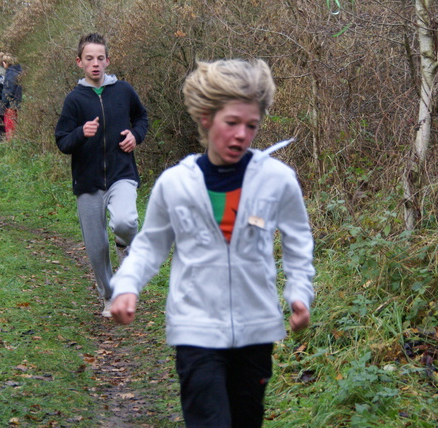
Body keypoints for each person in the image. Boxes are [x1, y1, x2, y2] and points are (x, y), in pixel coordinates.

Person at [110, 58, 315, 427]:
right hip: (195, 329)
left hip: (256, 329)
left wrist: (300, 292)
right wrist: (127, 286)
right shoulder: (175, 184)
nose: (241, 135)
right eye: (231, 123)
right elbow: (149, 245)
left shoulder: (278, 180)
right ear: (206, 118)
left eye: (251, 125)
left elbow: (299, 241)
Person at [55, 33, 149, 318]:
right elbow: (62, 141)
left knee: (126, 220)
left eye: (100, 58)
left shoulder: (124, 91)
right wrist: (80, 133)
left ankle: (125, 243)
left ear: (107, 60)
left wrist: (135, 135)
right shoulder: (74, 100)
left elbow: (142, 119)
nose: (95, 64)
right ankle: (109, 297)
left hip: (122, 174)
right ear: (79, 63)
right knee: (96, 248)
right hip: (87, 182)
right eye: (89, 59)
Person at [0, 53, 23, 140]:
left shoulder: (10, 74)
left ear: (5, 63)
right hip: (16, 103)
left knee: (9, 126)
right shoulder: (17, 72)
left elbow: (8, 90)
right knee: (13, 125)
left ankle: (10, 144)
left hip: (10, 104)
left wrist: (3, 104)